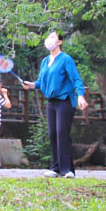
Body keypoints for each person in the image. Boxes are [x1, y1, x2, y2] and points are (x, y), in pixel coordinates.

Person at [23, 31, 88, 178]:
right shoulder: (45, 61)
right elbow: (41, 82)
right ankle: (56, 168)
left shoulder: (66, 59)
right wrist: (32, 85)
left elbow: (76, 79)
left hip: (65, 101)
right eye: (48, 37)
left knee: (62, 134)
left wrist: (81, 96)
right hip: (51, 102)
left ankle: (67, 170)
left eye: (53, 37)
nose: (49, 40)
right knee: (52, 134)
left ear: (60, 42)